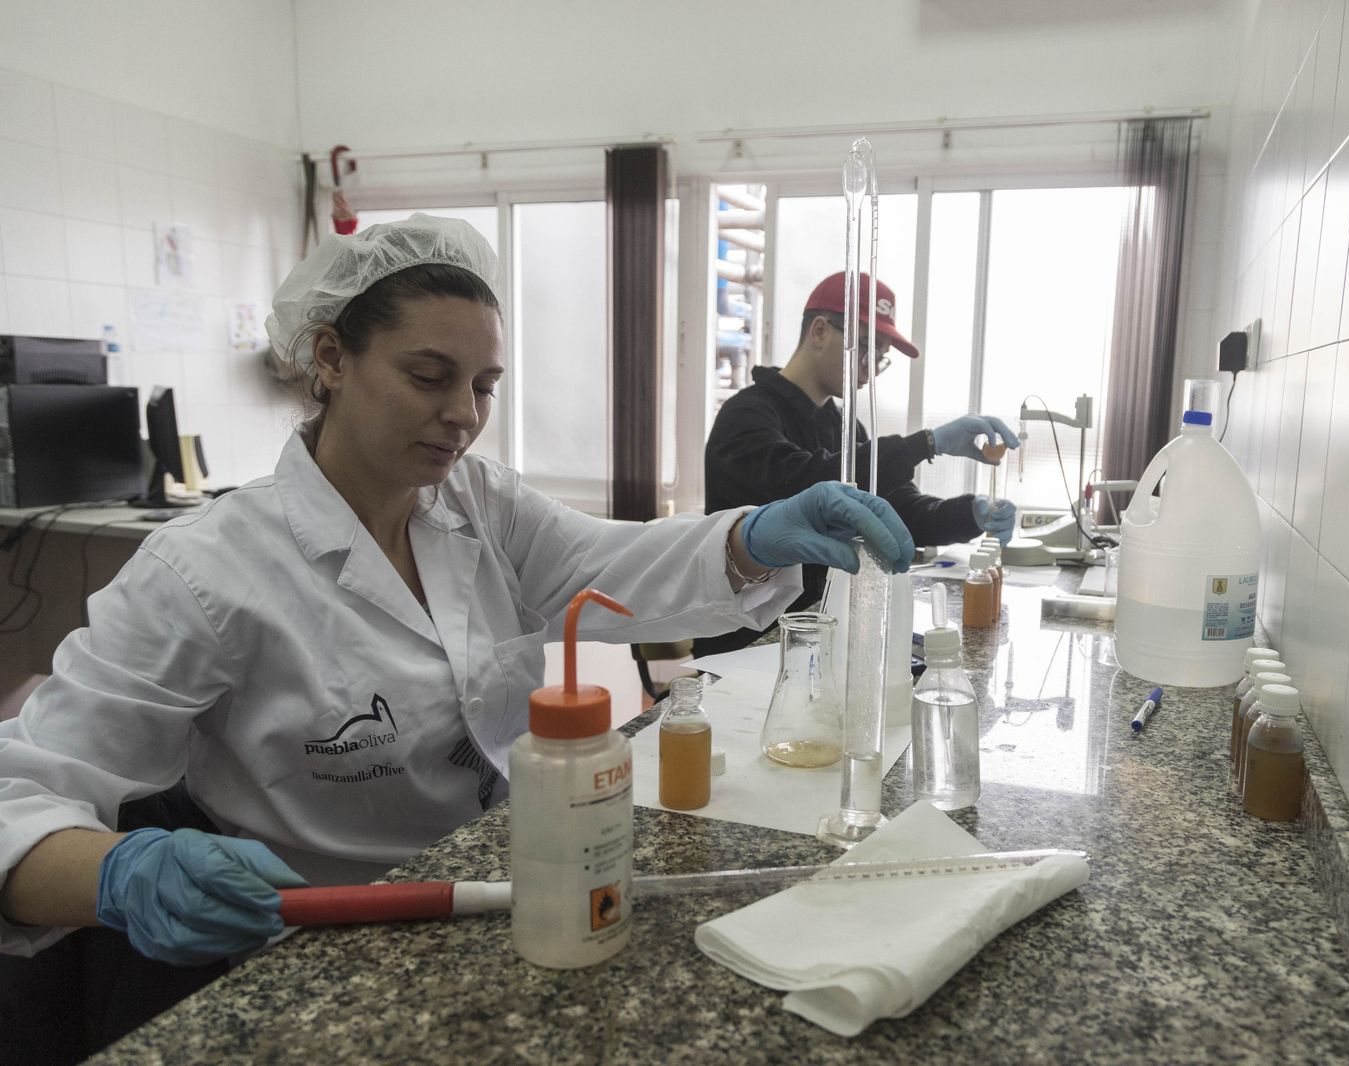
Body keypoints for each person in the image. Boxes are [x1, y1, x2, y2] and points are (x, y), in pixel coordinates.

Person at [0, 215, 914, 1052]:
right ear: (329, 358)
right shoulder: (203, 572)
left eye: (483, 386)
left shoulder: (475, 504)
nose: (465, 416)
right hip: (319, 940)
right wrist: (125, 871)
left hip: (506, 885)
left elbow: (606, 564)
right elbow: (19, 793)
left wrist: (748, 538)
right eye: (429, 377)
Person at [698, 271, 1020, 656]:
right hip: (745, 643)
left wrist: (969, 513)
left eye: (881, 358)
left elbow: (899, 510)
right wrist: (927, 443)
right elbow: (807, 483)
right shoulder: (747, 415)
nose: (870, 366)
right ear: (819, 331)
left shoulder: (846, 426)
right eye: (866, 348)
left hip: (818, 634)